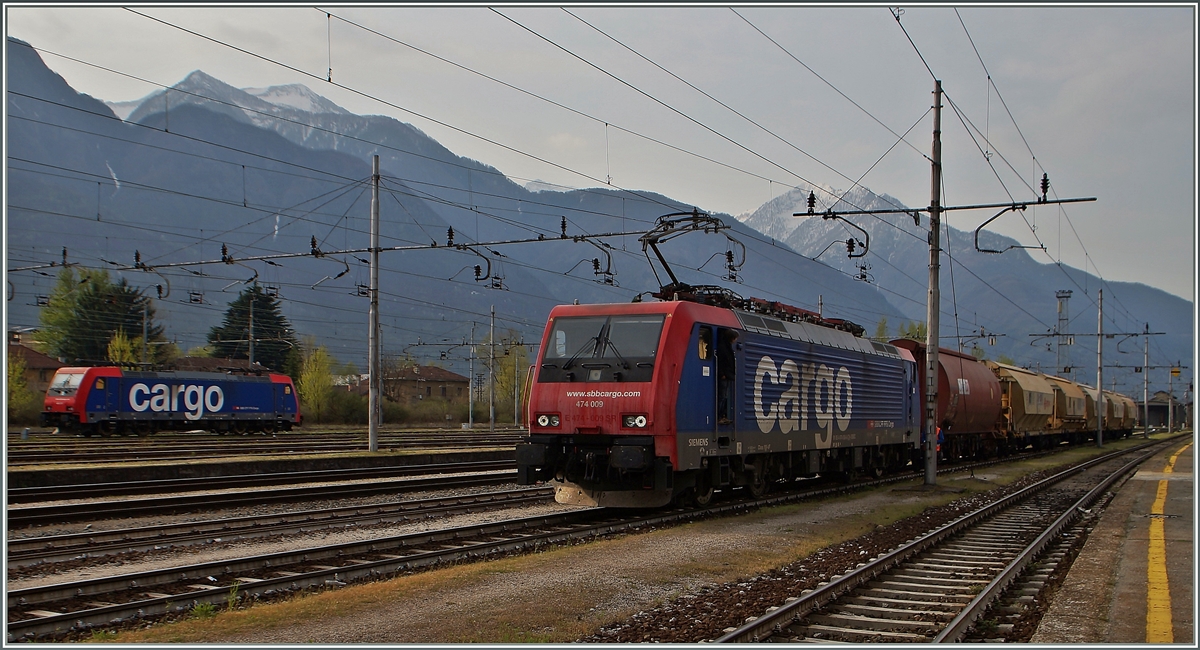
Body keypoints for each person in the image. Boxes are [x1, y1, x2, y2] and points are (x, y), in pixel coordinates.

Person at [717, 329, 737, 425]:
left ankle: (723, 415)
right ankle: (720, 416)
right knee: (722, 396)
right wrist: (722, 374)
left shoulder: (726, 346)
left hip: (728, 375)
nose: (735, 340)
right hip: (725, 375)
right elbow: (721, 361)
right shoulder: (723, 347)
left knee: (724, 396)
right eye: (735, 338)